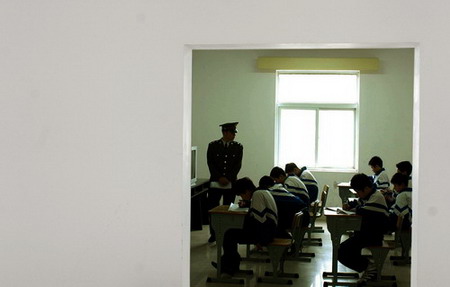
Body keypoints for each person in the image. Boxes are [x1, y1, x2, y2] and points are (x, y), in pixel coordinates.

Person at [215, 177, 278, 277]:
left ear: (247, 191)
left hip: (266, 233)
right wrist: (248, 203)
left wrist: (259, 241)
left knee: (229, 234)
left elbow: (259, 220)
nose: (242, 197)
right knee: (232, 233)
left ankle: (229, 266)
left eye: (241, 194)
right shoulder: (261, 192)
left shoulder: (257, 195)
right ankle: (229, 264)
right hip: (269, 229)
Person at [338, 173, 389, 285]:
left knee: (341, 251)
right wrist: (349, 205)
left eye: (358, 192)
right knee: (345, 250)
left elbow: (362, 210)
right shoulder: (369, 195)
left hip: (373, 235)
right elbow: (359, 203)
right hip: (365, 233)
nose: (358, 194)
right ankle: (369, 267)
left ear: (366, 188)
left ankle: (370, 267)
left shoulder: (377, 197)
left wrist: (354, 208)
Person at [207, 122, 243, 243]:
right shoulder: (213, 146)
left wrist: (227, 177)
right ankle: (214, 234)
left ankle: (227, 234)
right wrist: (219, 177)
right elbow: (210, 163)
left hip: (230, 182)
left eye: (234, 133)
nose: (234, 135)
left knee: (229, 209)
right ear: (225, 132)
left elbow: (237, 165)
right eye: (232, 133)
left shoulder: (238, 147)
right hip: (215, 183)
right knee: (213, 209)